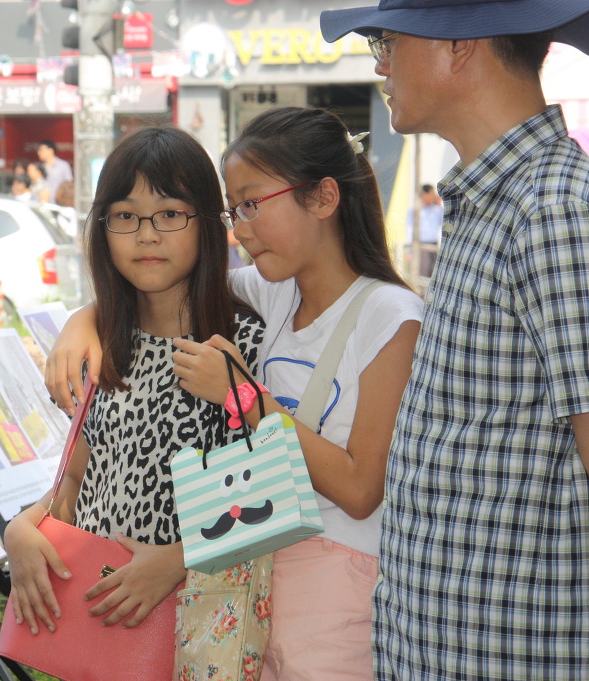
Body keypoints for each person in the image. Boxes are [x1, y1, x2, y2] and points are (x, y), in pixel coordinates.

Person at [45, 107, 423, 681]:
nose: (239, 229)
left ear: (323, 197)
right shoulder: (272, 292)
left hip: (334, 586)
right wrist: (81, 320)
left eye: (251, 205)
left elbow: (360, 489)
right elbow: (156, 282)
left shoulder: (390, 315)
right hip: (250, 580)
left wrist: (244, 398)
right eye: (232, 210)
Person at [319, 3, 589, 679]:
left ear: (460, 44)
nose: (380, 64)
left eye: (387, 41)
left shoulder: (552, 207)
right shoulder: (496, 203)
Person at [4, 125, 271, 678]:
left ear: (207, 223)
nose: (147, 235)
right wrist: (21, 530)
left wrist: (176, 561)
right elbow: (77, 481)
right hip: (96, 624)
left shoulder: (239, 346)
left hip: (193, 630)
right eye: (125, 216)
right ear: (102, 228)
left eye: (170, 213)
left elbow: (268, 495)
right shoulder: (103, 347)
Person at [403, 184, 443, 277]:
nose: (434, 196)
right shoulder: (414, 210)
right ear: (425, 194)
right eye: (432, 194)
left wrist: (440, 205)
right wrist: (410, 251)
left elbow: (445, 225)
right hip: (420, 247)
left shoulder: (437, 210)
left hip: (434, 246)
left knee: (434, 274)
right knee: (422, 275)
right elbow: (409, 230)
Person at [36, 139, 74, 205]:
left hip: (59, 204)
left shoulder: (63, 165)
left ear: (51, 150)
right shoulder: (40, 167)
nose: (39, 153)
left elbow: (69, 184)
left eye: (41, 150)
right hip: (42, 204)